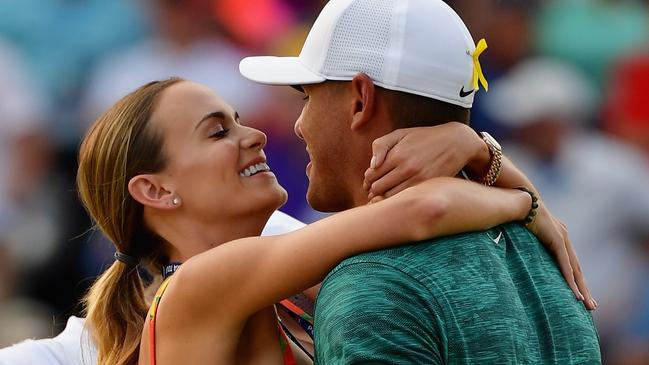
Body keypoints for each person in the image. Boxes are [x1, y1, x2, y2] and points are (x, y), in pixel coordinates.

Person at [77, 77, 542, 365]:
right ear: (155, 191)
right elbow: (425, 210)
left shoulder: (292, 299)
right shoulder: (198, 286)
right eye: (219, 132)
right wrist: (519, 200)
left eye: (239, 121)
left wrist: (482, 154)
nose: (256, 136)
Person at [239, 0, 601, 362]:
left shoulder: (370, 285)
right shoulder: (541, 250)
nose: (299, 125)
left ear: (360, 102)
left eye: (307, 96)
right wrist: (519, 195)